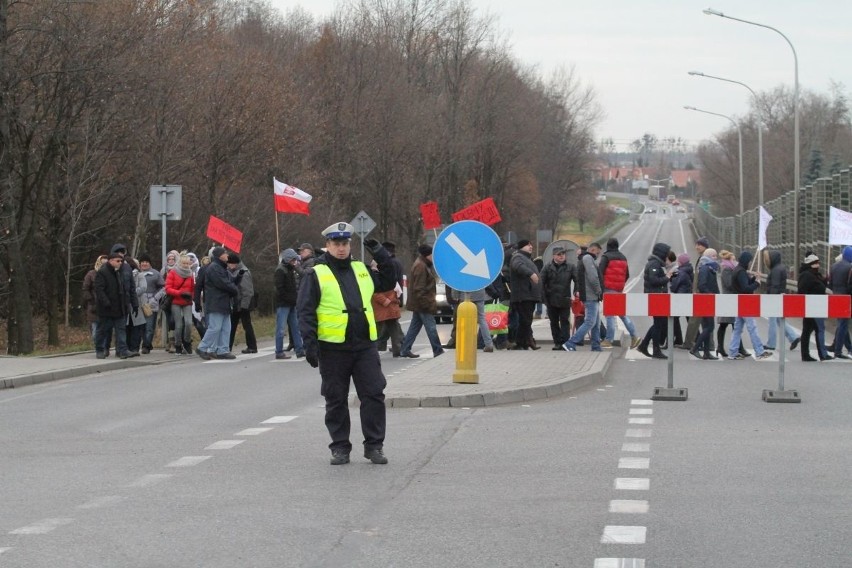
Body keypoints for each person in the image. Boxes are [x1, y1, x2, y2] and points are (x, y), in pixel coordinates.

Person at [296, 222, 397, 465]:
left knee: (373, 395)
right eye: (336, 244)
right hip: (332, 348)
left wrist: (380, 253)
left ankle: (374, 446)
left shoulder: (361, 269)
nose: (341, 248)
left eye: (344, 244)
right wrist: (309, 344)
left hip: (364, 346)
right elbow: (305, 311)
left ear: (350, 245)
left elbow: (388, 281)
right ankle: (340, 447)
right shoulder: (316, 273)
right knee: (336, 399)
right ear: (328, 245)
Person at [194, 246, 240, 360]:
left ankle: (223, 350)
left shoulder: (222, 268)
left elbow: (229, 281)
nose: (227, 255)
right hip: (216, 302)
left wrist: (238, 278)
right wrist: (234, 290)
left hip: (223, 302)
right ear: (219, 255)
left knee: (226, 328)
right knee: (215, 328)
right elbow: (223, 283)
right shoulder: (214, 268)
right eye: (225, 253)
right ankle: (202, 347)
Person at [399, 244, 444, 358]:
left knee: (414, 327)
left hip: (419, 303)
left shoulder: (423, 264)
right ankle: (438, 350)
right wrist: (426, 304)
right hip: (422, 303)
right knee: (431, 327)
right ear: (427, 255)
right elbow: (419, 288)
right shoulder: (420, 266)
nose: (434, 257)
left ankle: (405, 349)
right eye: (432, 254)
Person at [728, 250, 771, 360]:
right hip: (745, 302)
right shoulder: (741, 272)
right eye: (750, 261)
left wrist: (754, 278)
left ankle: (733, 351)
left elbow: (744, 284)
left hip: (739, 302)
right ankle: (759, 351)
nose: (750, 263)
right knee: (752, 327)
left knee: (737, 329)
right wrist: (757, 283)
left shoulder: (738, 270)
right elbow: (745, 288)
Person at [598, 238, 640, 349]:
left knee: (610, 316)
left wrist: (601, 288)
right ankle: (634, 336)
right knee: (622, 314)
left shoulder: (606, 257)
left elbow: (600, 273)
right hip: (618, 290)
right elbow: (627, 275)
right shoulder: (623, 257)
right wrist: (620, 285)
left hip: (608, 289)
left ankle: (608, 340)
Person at [562, 242, 603, 352]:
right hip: (591, 295)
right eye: (598, 252)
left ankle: (596, 346)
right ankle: (571, 342)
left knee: (595, 323)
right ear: (593, 250)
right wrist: (599, 290)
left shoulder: (584, 259)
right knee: (590, 321)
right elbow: (593, 277)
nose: (598, 255)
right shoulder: (588, 258)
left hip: (591, 295)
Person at [637, 242, 672, 359]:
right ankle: (655, 349)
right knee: (658, 324)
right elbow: (654, 280)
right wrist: (667, 277)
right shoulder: (654, 264)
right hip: (655, 297)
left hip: (658, 296)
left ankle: (644, 345)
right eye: (666, 253)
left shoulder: (656, 263)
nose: (667, 256)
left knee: (658, 323)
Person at [94, 253, 132, 359]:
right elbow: (99, 290)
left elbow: (123, 289)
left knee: (121, 330)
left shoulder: (119, 272)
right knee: (103, 330)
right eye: (117, 261)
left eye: (121, 261)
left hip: (119, 307)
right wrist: (106, 302)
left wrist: (125, 303)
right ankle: (100, 349)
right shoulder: (102, 272)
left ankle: (123, 350)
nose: (120, 263)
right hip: (106, 309)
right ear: (111, 261)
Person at [762, 249, 801, 352]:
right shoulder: (779, 268)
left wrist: (770, 298)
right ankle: (793, 337)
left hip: (775, 298)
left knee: (772, 321)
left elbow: (774, 285)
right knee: (779, 320)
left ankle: (771, 344)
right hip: (779, 296)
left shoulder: (775, 270)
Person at [797, 252, 832, 362]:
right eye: (816, 263)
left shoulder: (810, 275)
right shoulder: (808, 276)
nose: (818, 265)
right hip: (812, 306)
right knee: (817, 329)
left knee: (807, 330)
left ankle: (806, 355)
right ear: (812, 264)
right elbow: (819, 287)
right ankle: (821, 354)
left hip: (811, 306)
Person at [509, 239, 542, 350]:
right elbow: (518, 266)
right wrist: (531, 273)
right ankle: (522, 342)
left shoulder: (527, 259)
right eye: (528, 245)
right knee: (525, 320)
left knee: (526, 320)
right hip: (523, 295)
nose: (531, 246)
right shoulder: (518, 257)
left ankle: (523, 342)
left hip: (529, 295)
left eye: (531, 244)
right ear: (521, 247)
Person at [540, 246, 574, 349]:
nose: (561, 256)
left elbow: (578, 280)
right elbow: (541, 282)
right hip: (551, 299)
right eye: (559, 254)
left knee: (564, 321)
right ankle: (557, 342)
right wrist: (543, 297)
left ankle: (565, 342)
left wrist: (577, 291)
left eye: (563, 254)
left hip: (565, 298)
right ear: (554, 256)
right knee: (553, 322)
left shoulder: (570, 267)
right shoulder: (547, 267)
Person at [374, 241, 404, 356]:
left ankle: (397, 346)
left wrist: (390, 299)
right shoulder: (394, 262)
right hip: (389, 301)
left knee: (389, 326)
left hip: (388, 301)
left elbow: (391, 285)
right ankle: (399, 346)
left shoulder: (389, 264)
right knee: (390, 326)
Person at [274, 248, 305, 360]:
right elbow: (280, 289)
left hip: (292, 303)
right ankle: (279, 351)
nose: (295, 262)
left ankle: (300, 350)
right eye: (293, 260)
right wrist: (290, 299)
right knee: (281, 328)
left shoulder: (290, 269)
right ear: (287, 259)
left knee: (295, 327)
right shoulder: (280, 271)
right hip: (283, 304)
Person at [716, 250, 747, 358]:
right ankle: (721, 347)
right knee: (726, 324)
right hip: (728, 300)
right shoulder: (727, 270)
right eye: (734, 259)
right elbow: (729, 284)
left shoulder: (731, 269)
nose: (736, 262)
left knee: (735, 324)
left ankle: (739, 347)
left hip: (732, 299)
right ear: (729, 260)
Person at [682, 237, 711, 350]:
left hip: (701, 294)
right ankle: (707, 345)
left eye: (700, 244)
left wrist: (697, 291)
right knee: (705, 321)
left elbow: (701, 278)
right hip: (700, 293)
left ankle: (690, 343)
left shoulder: (705, 258)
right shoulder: (702, 258)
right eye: (696, 244)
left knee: (697, 321)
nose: (697, 246)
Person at [691, 248, 720, 360]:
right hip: (706, 301)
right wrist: (711, 294)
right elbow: (702, 285)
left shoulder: (709, 267)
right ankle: (695, 348)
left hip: (708, 301)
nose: (716, 258)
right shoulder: (705, 268)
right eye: (714, 256)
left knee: (708, 327)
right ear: (708, 256)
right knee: (710, 326)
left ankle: (706, 352)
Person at [227, 253, 258, 354]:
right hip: (237, 303)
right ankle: (228, 347)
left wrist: (244, 306)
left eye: (229, 264)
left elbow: (247, 291)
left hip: (242, 303)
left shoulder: (243, 272)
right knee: (233, 325)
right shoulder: (234, 271)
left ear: (234, 263)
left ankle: (252, 346)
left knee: (246, 325)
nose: (228, 266)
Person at [166, 253, 196, 355]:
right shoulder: (173, 272)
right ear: (179, 263)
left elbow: (192, 288)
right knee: (178, 325)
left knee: (188, 323)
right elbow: (168, 289)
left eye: (187, 263)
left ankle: (187, 342)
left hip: (187, 302)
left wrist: (190, 296)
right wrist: (180, 293)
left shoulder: (190, 274)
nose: (185, 265)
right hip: (176, 301)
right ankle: (178, 344)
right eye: (184, 263)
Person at [137, 254, 165, 354]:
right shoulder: (136, 274)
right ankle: (146, 342)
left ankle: (146, 345)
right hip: (139, 302)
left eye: (146, 262)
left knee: (149, 325)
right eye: (142, 262)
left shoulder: (156, 274)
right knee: (141, 325)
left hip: (151, 303)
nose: (144, 264)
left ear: (149, 263)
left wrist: (155, 298)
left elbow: (163, 287)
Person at [828, 246, 852, 358]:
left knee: (842, 323)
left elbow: (830, 283)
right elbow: (850, 285)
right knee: (843, 324)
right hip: (845, 298)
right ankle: (838, 351)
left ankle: (850, 348)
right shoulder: (850, 267)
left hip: (835, 296)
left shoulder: (834, 266)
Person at [83, 255, 108, 353]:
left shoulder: (110, 275)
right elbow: (85, 289)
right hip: (94, 306)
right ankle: (98, 346)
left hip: (106, 306)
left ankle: (103, 348)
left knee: (105, 330)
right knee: (95, 330)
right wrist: (91, 300)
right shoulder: (91, 274)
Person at [668, 252, 693, 348]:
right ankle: (694, 340)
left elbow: (674, 287)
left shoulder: (680, 272)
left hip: (681, 297)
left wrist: (671, 279)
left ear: (681, 262)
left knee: (673, 318)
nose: (677, 262)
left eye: (678, 260)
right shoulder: (689, 270)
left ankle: (678, 339)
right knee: (690, 320)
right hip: (687, 296)